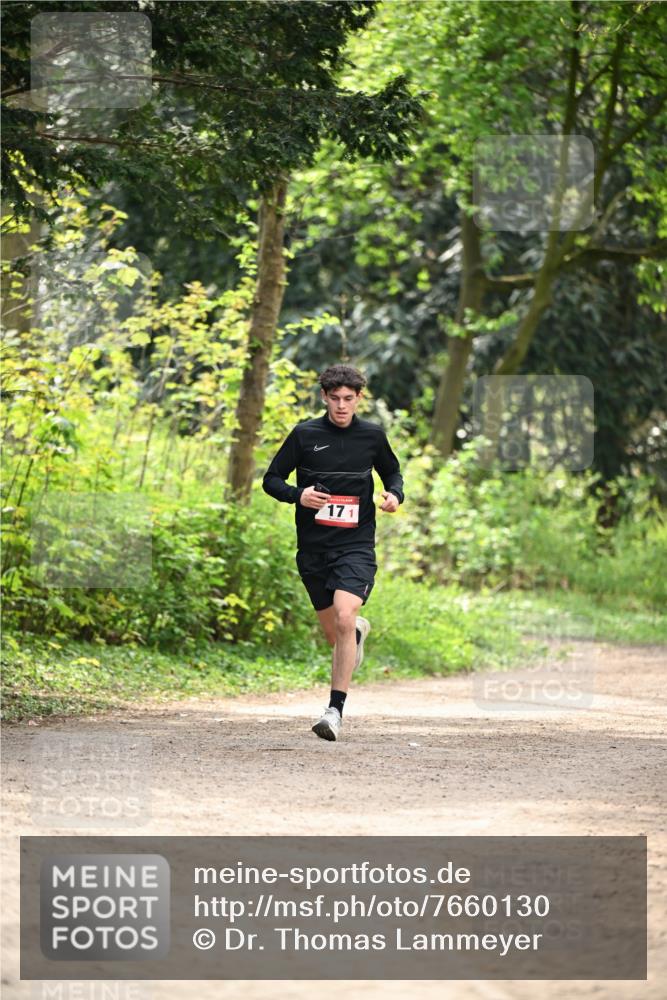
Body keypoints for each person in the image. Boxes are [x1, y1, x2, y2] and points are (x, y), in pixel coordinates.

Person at [262, 364, 404, 742]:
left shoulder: (372, 436)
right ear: (324, 397)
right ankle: (354, 634)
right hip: (313, 549)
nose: (342, 406)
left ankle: (334, 711)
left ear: (359, 398)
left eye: (349, 399)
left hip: (355, 545)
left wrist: (394, 496)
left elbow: (393, 473)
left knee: (344, 616)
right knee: (336, 634)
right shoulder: (305, 434)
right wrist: (299, 495)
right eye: (335, 399)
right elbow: (271, 479)